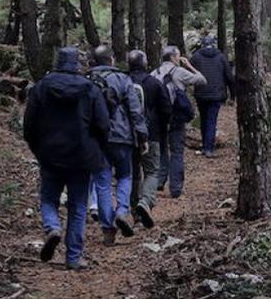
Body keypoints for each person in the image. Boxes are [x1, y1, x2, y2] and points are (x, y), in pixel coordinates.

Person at [23, 47, 110, 271]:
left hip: (50, 155)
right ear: (77, 64)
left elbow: (29, 125)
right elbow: (102, 124)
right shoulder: (90, 88)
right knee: (78, 206)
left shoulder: (41, 87)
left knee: (48, 199)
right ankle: (73, 257)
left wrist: (38, 149)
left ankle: (52, 227)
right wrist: (96, 149)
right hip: (81, 156)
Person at [86, 45, 146, 244]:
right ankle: (121, 210)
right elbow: (135, 111)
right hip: (122, 136)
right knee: (124, 176)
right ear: (111, 59)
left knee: (102, 182)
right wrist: (142, 136)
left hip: (96, 139)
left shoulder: (87, 81)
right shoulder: (123, 79)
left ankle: (107, 227)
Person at [153, 45, 205, 198]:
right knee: (176, 151)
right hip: (176, 118)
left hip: (159, 118)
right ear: (173, 57)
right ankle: (175, 188)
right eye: (178, 56)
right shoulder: (179, 72)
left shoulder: (154, 73)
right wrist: (189, 66)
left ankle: (159, 182)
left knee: (162, 149)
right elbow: (202, 80)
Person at [127, 50, 170, 229]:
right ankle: (146, 202)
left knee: (133, 174)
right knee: (152, 171)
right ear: (145, 64)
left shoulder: (124, 81)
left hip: (127, 135)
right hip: (151, 134)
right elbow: (166, 109)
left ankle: (136, 215)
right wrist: (162, 129)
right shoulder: (154, 83)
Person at [189, 35, 234, 155]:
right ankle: (209, 148)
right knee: (211, 120)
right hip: (217, 94)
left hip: (201, 93)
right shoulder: (221, 57)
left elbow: (188, 73)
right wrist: (233, 94)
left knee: (204, 119)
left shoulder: (196, 57)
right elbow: (229, 76)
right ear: (213, 44)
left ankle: (205, 146)